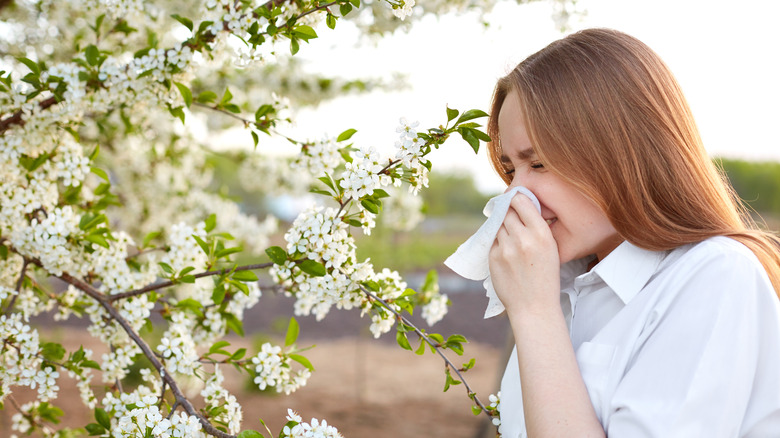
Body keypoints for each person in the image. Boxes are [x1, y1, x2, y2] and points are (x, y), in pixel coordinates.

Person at [486, 28, 780, 437]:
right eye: (509, 168)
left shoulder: (714, 276)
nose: (516, 193)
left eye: (538, 164)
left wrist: (534, 315)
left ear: (620, 153)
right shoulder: (563, 288)